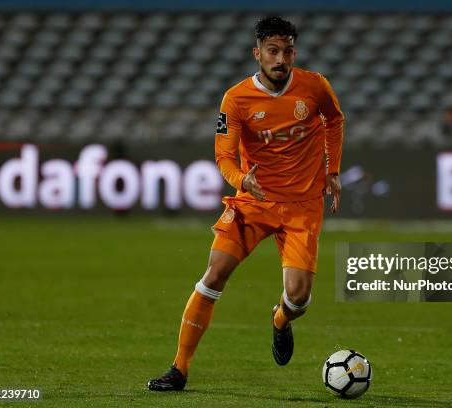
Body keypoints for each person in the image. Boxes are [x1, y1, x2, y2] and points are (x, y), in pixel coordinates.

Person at [147, 16, 344, 391]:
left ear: (293, 52)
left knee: (299, 298)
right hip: (253, 202)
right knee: (214, 274)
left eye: (287, 51)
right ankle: (179, 368)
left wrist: (333, 170)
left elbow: (335, 120)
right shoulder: (236, 99)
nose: (280, 58)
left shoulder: (315, 87)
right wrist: (243, 182)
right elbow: (224, 157)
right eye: (272, 51)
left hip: (302, 205)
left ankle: (280, 320)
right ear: (258, 54)